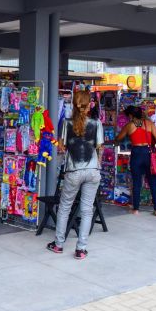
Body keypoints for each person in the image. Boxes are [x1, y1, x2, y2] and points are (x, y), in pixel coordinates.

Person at [46, 90, 103, 260]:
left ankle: (58, 244)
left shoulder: (66, 123)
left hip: (74, 171)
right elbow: (99, 147)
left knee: (64, 208)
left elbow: (62, 148)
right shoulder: (96, 123)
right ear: (89, 104)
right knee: (86, 211)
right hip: (93, 171)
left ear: (75, 104)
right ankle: (81, 249)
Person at [115, 105, 156, 216]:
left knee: (137, 182)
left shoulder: (129, 125)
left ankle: (136, 209)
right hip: (148, 153)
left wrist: (116, 141)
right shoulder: (149, 123)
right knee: (153, 183)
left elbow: (119, 138)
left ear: (131, 115)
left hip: (136, 154)